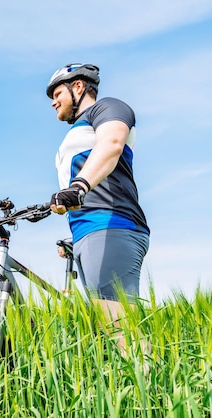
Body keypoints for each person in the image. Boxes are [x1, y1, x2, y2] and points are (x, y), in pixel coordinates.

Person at [46, 63, 150, 356]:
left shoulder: (108, 108)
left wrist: (77, 187)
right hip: (90, 231)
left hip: (112, 223)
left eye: (57, 93)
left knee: (121, 334)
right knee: (108, 335)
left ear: (78, 86)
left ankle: (153, 398)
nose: (54, 102)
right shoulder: (72, 137)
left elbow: (112, 145)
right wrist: (76, 238)